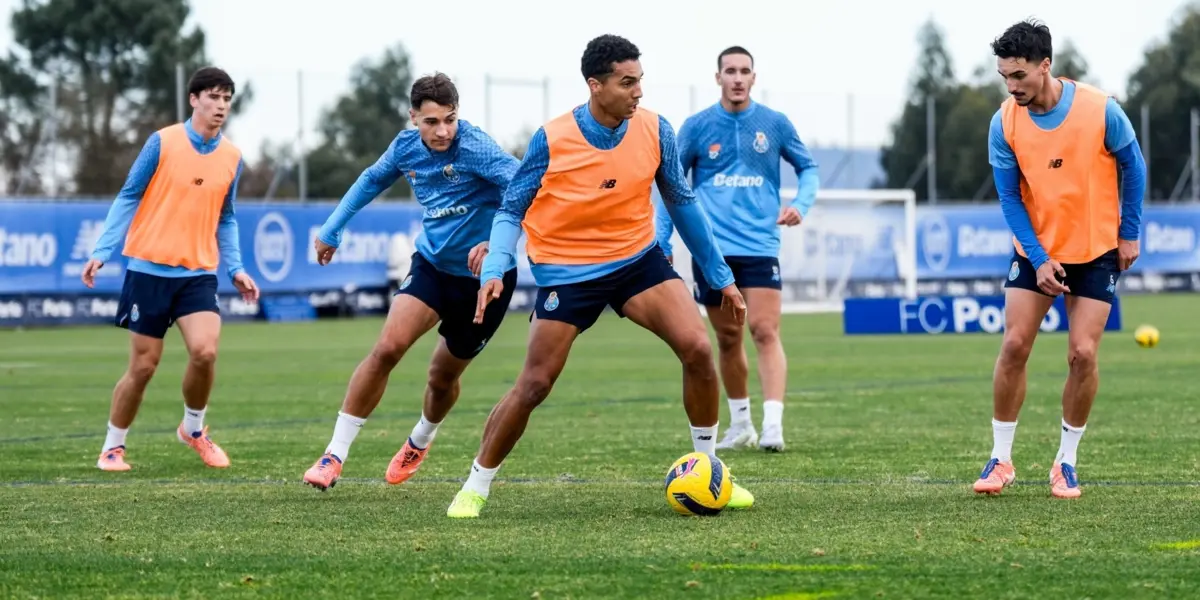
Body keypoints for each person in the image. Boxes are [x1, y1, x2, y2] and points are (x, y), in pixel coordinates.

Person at [446, 34, 755, 519]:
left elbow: (683, 204)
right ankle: (475, 485)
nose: (638, 91)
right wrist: (495, 267)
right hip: (567, 271)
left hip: (636, 260)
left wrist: (722, 278)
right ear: (596, 85)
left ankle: (710, 471)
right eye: (627, 82)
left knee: (698, 348)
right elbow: (510, 209)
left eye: (640, 80)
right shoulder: (552, 138)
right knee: (535, 384)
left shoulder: (656, 129)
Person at [301, 73, 521, 491]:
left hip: (485, 280)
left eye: (450, 120)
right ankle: (333, 455)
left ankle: (420, 439)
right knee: (387, 348)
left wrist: (497, 244)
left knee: (441, 378)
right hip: (432, 267)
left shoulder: (475, 147)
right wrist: (332, 228)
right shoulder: (406, 148)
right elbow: (371, 180)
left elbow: (527, 188)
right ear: (413, 118)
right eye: (431, 122)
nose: (442, 131)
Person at [974, 19, 1145, 499]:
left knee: (1083, 354)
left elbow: (1134, 166)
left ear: (1045, 66)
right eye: (1004, 76)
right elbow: (1010, 198)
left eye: (1019, 75)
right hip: (1036, 251)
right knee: (1014, 345)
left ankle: (1065, 463)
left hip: (1096, 250)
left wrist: (1129, 233)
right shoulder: (1004, 122)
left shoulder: (1101, 109)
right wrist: (1040, 257)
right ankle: (1000, 459)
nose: (1012, 86)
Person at [83, 66, 259, 472]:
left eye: (227, 98)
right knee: (143, 367)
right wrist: (103, 250)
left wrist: (235, 267)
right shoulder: (162, 142)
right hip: (147, 271)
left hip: (197, 273)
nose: (221, 105)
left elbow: (226, 217)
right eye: (213, 97)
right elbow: (129, 195)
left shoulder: (232, 157)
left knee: (205, 352)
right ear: (194, 99)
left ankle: (193, 430)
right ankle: (112, 447)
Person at [655, 45, 820, 453]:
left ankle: (773, 426)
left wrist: (800, 205)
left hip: (760, 245)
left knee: (764, 330)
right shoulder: (696, 127)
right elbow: (669, 183)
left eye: (745, 71)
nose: (738, 78)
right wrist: (662, 239)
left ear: (753, 78)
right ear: (718, 78)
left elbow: (808, 168)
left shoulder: (774, 124)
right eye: (730, 71)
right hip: (711, 250)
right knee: (728, 338)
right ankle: (742, 424)